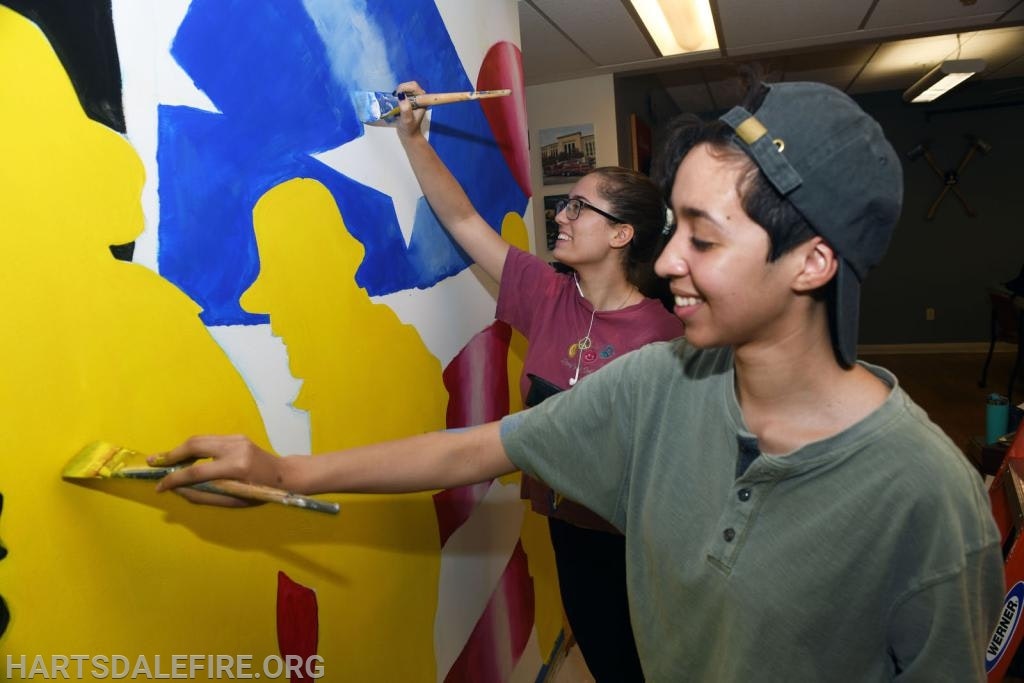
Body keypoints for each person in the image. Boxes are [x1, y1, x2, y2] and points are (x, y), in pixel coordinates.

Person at [154, 81, 1004, 681]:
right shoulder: (660, 381)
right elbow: (482, 447)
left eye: (702, 240)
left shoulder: (932, 500)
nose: (668, 260)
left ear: (813, 261)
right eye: (674, 230)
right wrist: (284, 472)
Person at [397, 80, 682, 680]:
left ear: (622, 234)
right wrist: (413, 139)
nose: (563, 214)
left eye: (581, 207)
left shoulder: (665, 334)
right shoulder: (547, 295)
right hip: (565, 527)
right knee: (607, 657)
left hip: (639, 542)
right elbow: (462, 219)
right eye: (566, 203)